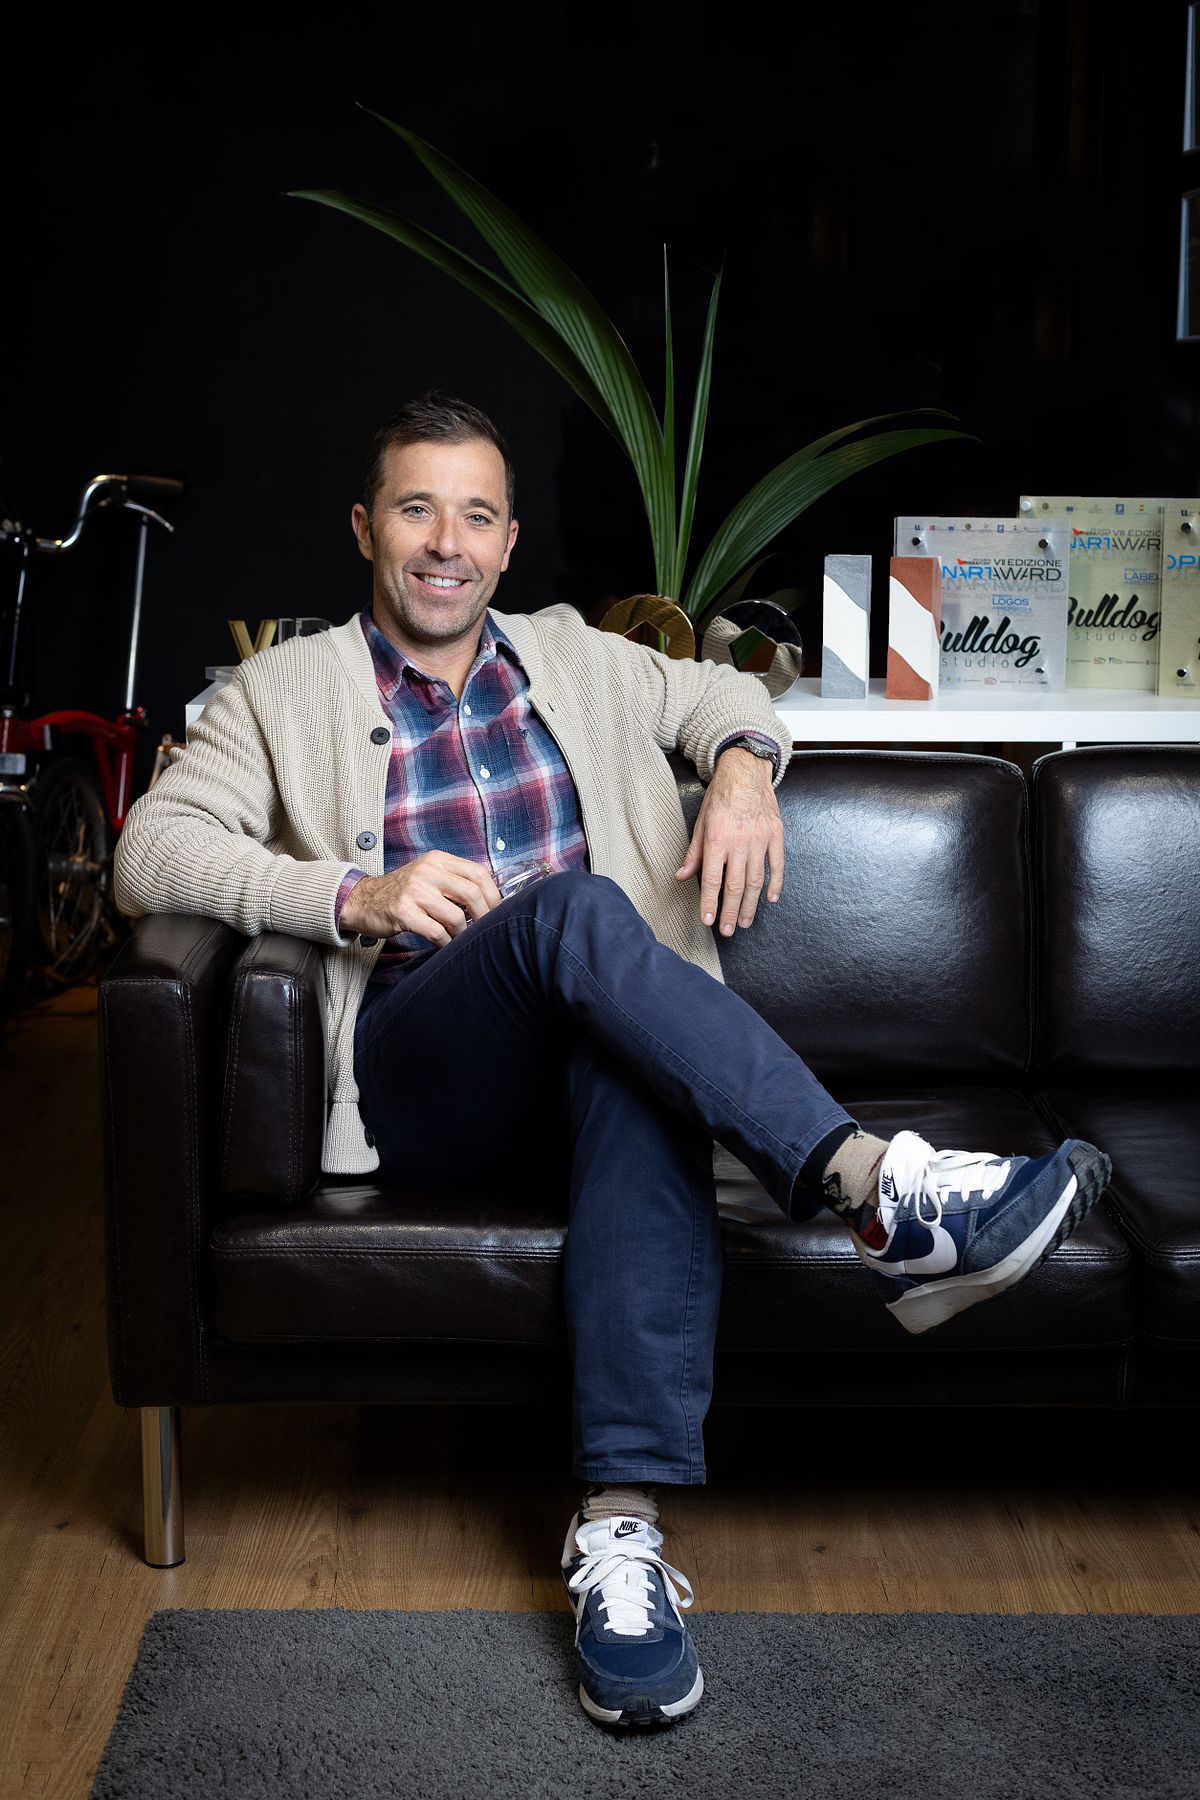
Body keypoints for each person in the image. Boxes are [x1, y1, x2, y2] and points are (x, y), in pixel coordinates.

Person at [113, 391, 1111, 1732]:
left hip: (585, 1054)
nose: (447, 543)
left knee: (636, 1072)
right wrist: (352, 894)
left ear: (509, 541)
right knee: (579, 912)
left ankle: (621, 1538)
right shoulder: (280, 692)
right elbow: (150, 852)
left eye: (477, 515)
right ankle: (879, 1186)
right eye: (417, 510)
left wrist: (743, 769)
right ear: (364, 527)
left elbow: (724, 692)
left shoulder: (575, 656)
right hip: (424, 1068)